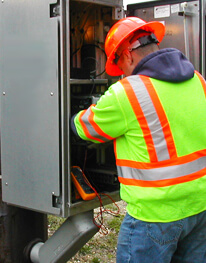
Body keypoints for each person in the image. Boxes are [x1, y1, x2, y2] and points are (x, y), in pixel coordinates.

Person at [71, 17, 206, 263]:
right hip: (200, 207)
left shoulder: (127, 92)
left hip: (155, 217)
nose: (121, 72)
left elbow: (85, 128)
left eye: (119, 63)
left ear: (128, 55)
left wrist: (72, 114)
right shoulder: (198, 80)